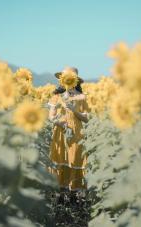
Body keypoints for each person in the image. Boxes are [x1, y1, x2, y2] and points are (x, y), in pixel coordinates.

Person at [47, 67, 90, 198]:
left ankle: (75, 197)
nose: (68, 81)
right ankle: (59, 196)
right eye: (66, 78)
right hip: (60, 132)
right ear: (62, 80)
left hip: (76, 133)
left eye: (70, 79)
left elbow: (86, 118)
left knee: (75, 159)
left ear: (75, 80)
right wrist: (60, 122)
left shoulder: (81, 97)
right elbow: (51, 117)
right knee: (60, 158)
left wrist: (74, 110)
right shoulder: (57, 96)